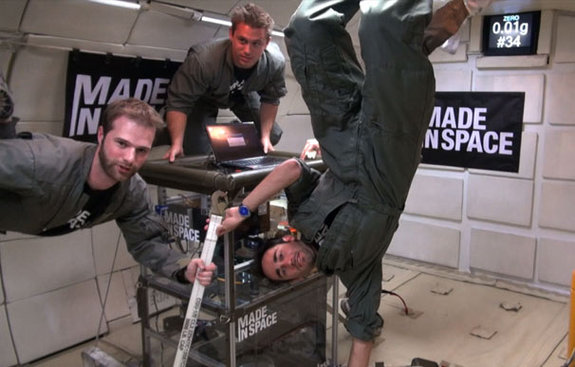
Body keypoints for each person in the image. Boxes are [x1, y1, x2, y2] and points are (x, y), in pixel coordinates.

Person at [217, 0, 492, 366]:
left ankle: (427, 29)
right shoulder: (357, 270)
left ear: (284, 241)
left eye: (279, 256)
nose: (289, 262)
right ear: (298, 278)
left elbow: (293, 170)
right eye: (284, 271)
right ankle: (461, 6)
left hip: (340, 134)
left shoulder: (301, 214)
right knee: (382, 21)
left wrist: (243, 208)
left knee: (306, 25)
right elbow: (362, 335)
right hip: (387, 151)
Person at [0, 98, 215, 286]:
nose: (130, 158)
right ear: (101, 134)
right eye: (122, 143)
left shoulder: (132, 192)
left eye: (141, 150)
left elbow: (145, 242)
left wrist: (182, 267)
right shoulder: (42, 162)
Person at [163, 2, 287, 161]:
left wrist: (265, 137)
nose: (247, 51)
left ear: (267, 42)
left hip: (243, 93)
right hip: (203, 98)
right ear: (231, 34)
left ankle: (234, 130)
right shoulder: (203, 60)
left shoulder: (274, 63)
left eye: (256, 43)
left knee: (272, 135)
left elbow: (271, 99)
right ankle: (216, 135)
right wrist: (177, 144)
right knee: (197, 153)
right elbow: (179, 103)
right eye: (242, 40)